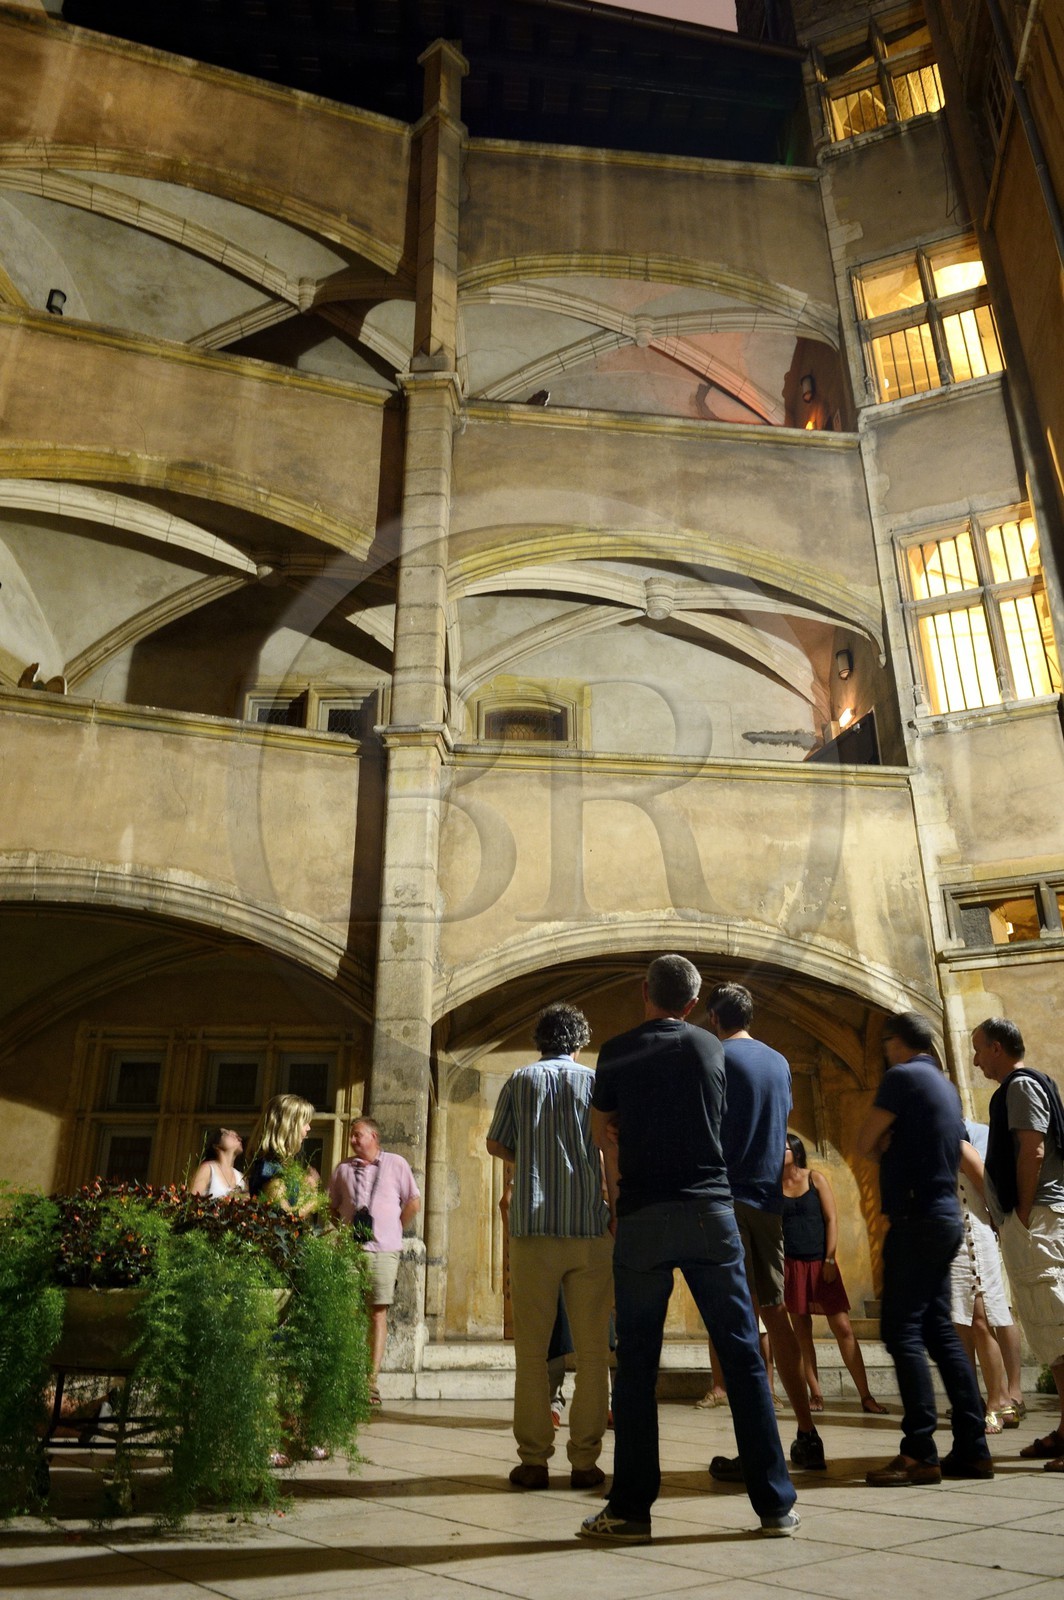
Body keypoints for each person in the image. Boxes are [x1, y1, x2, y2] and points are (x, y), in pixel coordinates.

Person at [578, 954, 798, 1542]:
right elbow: (722, 1119)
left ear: (643, 993)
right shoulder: (711, 1049)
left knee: (637, 1366)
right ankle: (775, 1504)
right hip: (710, 1212)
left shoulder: (618, 1050)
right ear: (695, 1003)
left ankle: (630, 1509)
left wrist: (622, 1131)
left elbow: (601, 1128)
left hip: (644, 1214)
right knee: (744, 1355)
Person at [856, 1011, 991, 1485]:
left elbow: (865, 1140)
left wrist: (885, 1144)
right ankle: (973, 1449)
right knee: (938, 1330)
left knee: (901, 1331)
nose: (885, 1050)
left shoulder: (902, 1077)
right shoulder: (943, 1084)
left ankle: (919, 1451)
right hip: (944, 1216)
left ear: (898, 1043)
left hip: (914, 1220)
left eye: (886, 1042)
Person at [486, 1002, 613, 1490]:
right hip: (588, 1226)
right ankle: (584, 1462)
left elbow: (497, 1143)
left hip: (533, 1227)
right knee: (594, 1350)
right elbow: (610, 1145)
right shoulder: (595, 1082)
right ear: (579, 1042)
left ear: (541, 1040)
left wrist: (532, 1155)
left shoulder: (519, 1080)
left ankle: (534, 1460)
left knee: (533, 1352)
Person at [705, 982, 825, 1477]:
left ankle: (755, 1447)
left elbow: (706, 1123)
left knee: (736, 1323)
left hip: (727, 1198)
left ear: (714, 1017)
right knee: (776, 1315)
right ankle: (806, 1432)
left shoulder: (715, 1057)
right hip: (769, 1201)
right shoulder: (778, 1062)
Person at [973, 1017, 1064, 1470]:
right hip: (1035, 1218)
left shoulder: (1021, 1085)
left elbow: (1033, 1148)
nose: (974, 1060)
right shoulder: (1018, 1086)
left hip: (1040, 1216)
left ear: (996, 1047)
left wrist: (1024, 1210)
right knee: (1048, 1326)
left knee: (1057, 1320)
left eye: (978, 1050)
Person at [782, 1132, 885, 1414]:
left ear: (796, 1152)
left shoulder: (815, 1178)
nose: (780, 1151)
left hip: (820, 1263)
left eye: (785, 1147)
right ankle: (815, 1394)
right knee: (801, 1332)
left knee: (843, 1328)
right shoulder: (772, 1186)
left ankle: (866, 1395)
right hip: (791, 1265)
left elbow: (832, 1219)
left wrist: (829, 1259)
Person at [329, 1115, 420, 1408]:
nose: (353, 1140)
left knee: (377, 1312)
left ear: (374, 1137)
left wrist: (394, 1226)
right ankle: (349, 1376)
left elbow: (413, 1202)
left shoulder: (396, 1164)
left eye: (358, 1135)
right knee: (348, 1311)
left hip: (383, 1250)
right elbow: (332, 1207)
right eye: (352, 1136)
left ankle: (371, 1380)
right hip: (351, 1251)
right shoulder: (342, 1169)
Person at [951, 1120, 1017, 1431]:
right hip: (951, 1243)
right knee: (961, 1323)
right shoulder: (929, 1147)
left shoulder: (961, 1147)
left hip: (974, 1236)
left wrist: (997, 1230)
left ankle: (999, 1399)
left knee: (981, 1320)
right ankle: (972, 1400)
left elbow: (989, 1194)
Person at [246, 1094, 316, 1212]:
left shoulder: (280, 1166)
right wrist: (312, 1197)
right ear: (288, 1126)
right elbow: (284, 1216)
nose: (308, 1128)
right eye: (305, 1122)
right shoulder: (270, 1168)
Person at [189, 1127, 246, 1200]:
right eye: (226, 1133)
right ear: (216, 1145)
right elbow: (191, 1202)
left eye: (236, 1135)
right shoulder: (207, 1169)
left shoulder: (241, 1178)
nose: (236, 1136)